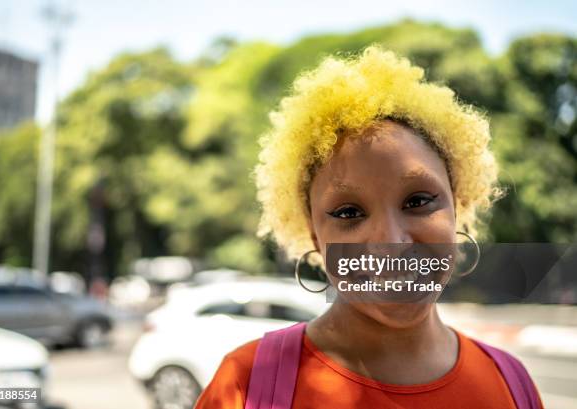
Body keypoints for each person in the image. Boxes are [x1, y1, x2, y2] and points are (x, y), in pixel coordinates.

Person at [195, 45, 543, 408]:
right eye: (348, 213)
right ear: (315, 236)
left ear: (456, 208)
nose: (391, 242)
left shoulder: (511, 384)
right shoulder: (246, 384)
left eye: (418, 201)